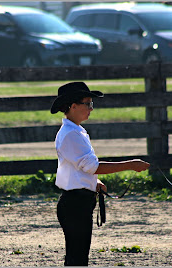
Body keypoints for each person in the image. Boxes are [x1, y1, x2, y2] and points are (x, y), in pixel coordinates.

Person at [50, 81, 150, 266]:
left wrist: (92, 183)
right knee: (77, 258)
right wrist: (130, 164)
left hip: (77, 201)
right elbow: (92, 166)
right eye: (87, 103)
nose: (91, 108)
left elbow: (76, 168)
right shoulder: (71, 134)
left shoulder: (75, 131)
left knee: (77, 256)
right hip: (75, 204)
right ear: (73, 106)